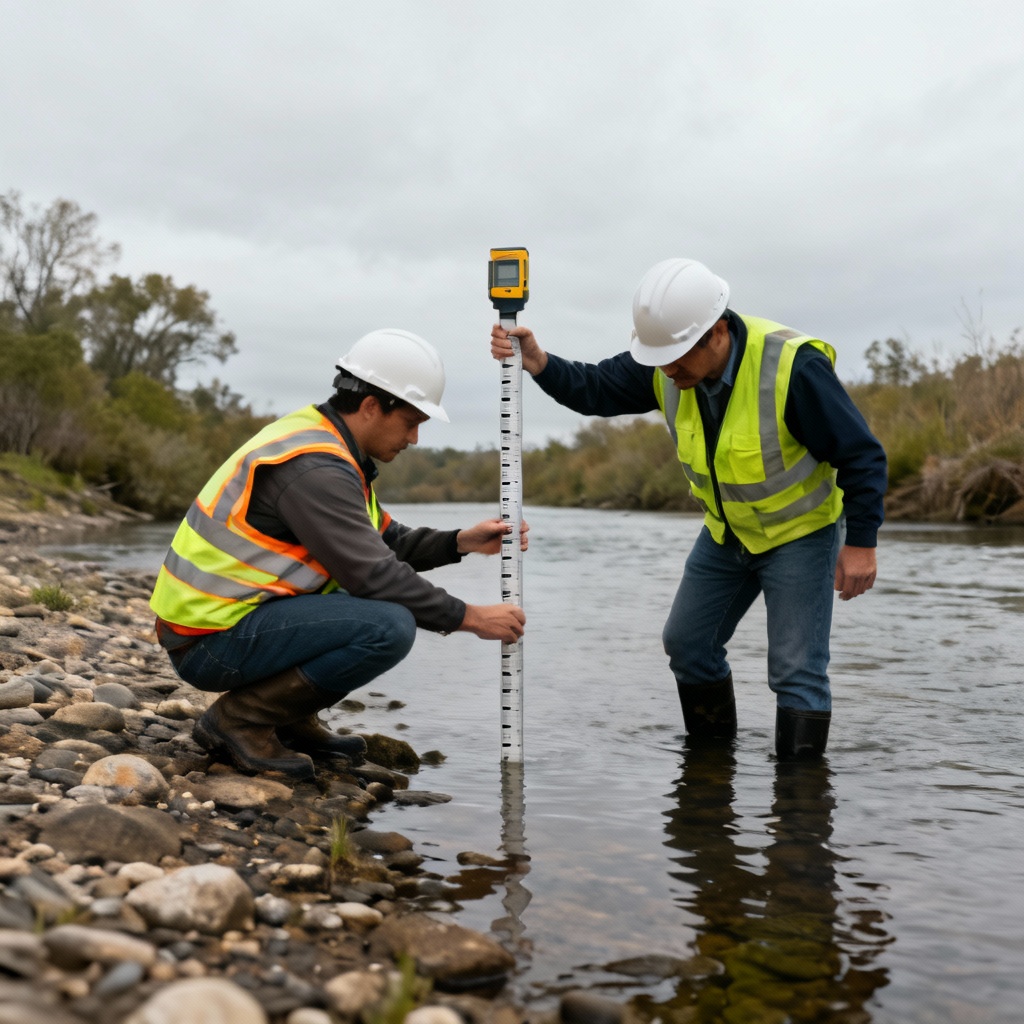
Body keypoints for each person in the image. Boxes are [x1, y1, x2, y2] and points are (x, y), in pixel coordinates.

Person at [491, 258, 886, 760]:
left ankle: (800, 811)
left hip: (800, 534)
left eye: (677, 357)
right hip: (728, 534)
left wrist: (861, 543)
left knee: (795, 670)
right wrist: (540, 362)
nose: (666, 369)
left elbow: (862, 455)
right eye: (660, 358)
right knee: (687, 644)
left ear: (717, 333)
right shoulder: (665, 363)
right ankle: (710, 769)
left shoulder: (794, 368)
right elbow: (594, 388)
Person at [151, 328, 527, 780]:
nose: (415, 439)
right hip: (209, 642)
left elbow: (385, 543)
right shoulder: (315, 469)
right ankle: (241, 720)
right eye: (411, 422)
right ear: (371, 406)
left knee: (378, 615)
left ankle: (288, 717)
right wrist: (470, 617)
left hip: (227, 623)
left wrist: (460, 541)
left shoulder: (329, 448)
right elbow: (375, 576)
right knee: (388, 625)